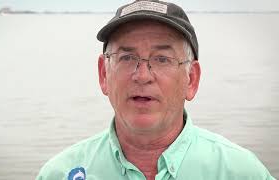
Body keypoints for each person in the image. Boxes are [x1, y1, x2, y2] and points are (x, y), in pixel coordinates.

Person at [36, 0, 275, 179]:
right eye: (127, 57)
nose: (142, 76)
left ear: (191, 79)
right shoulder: (60, 173)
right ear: (103, 74)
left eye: (162, 59)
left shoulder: (241, 172)